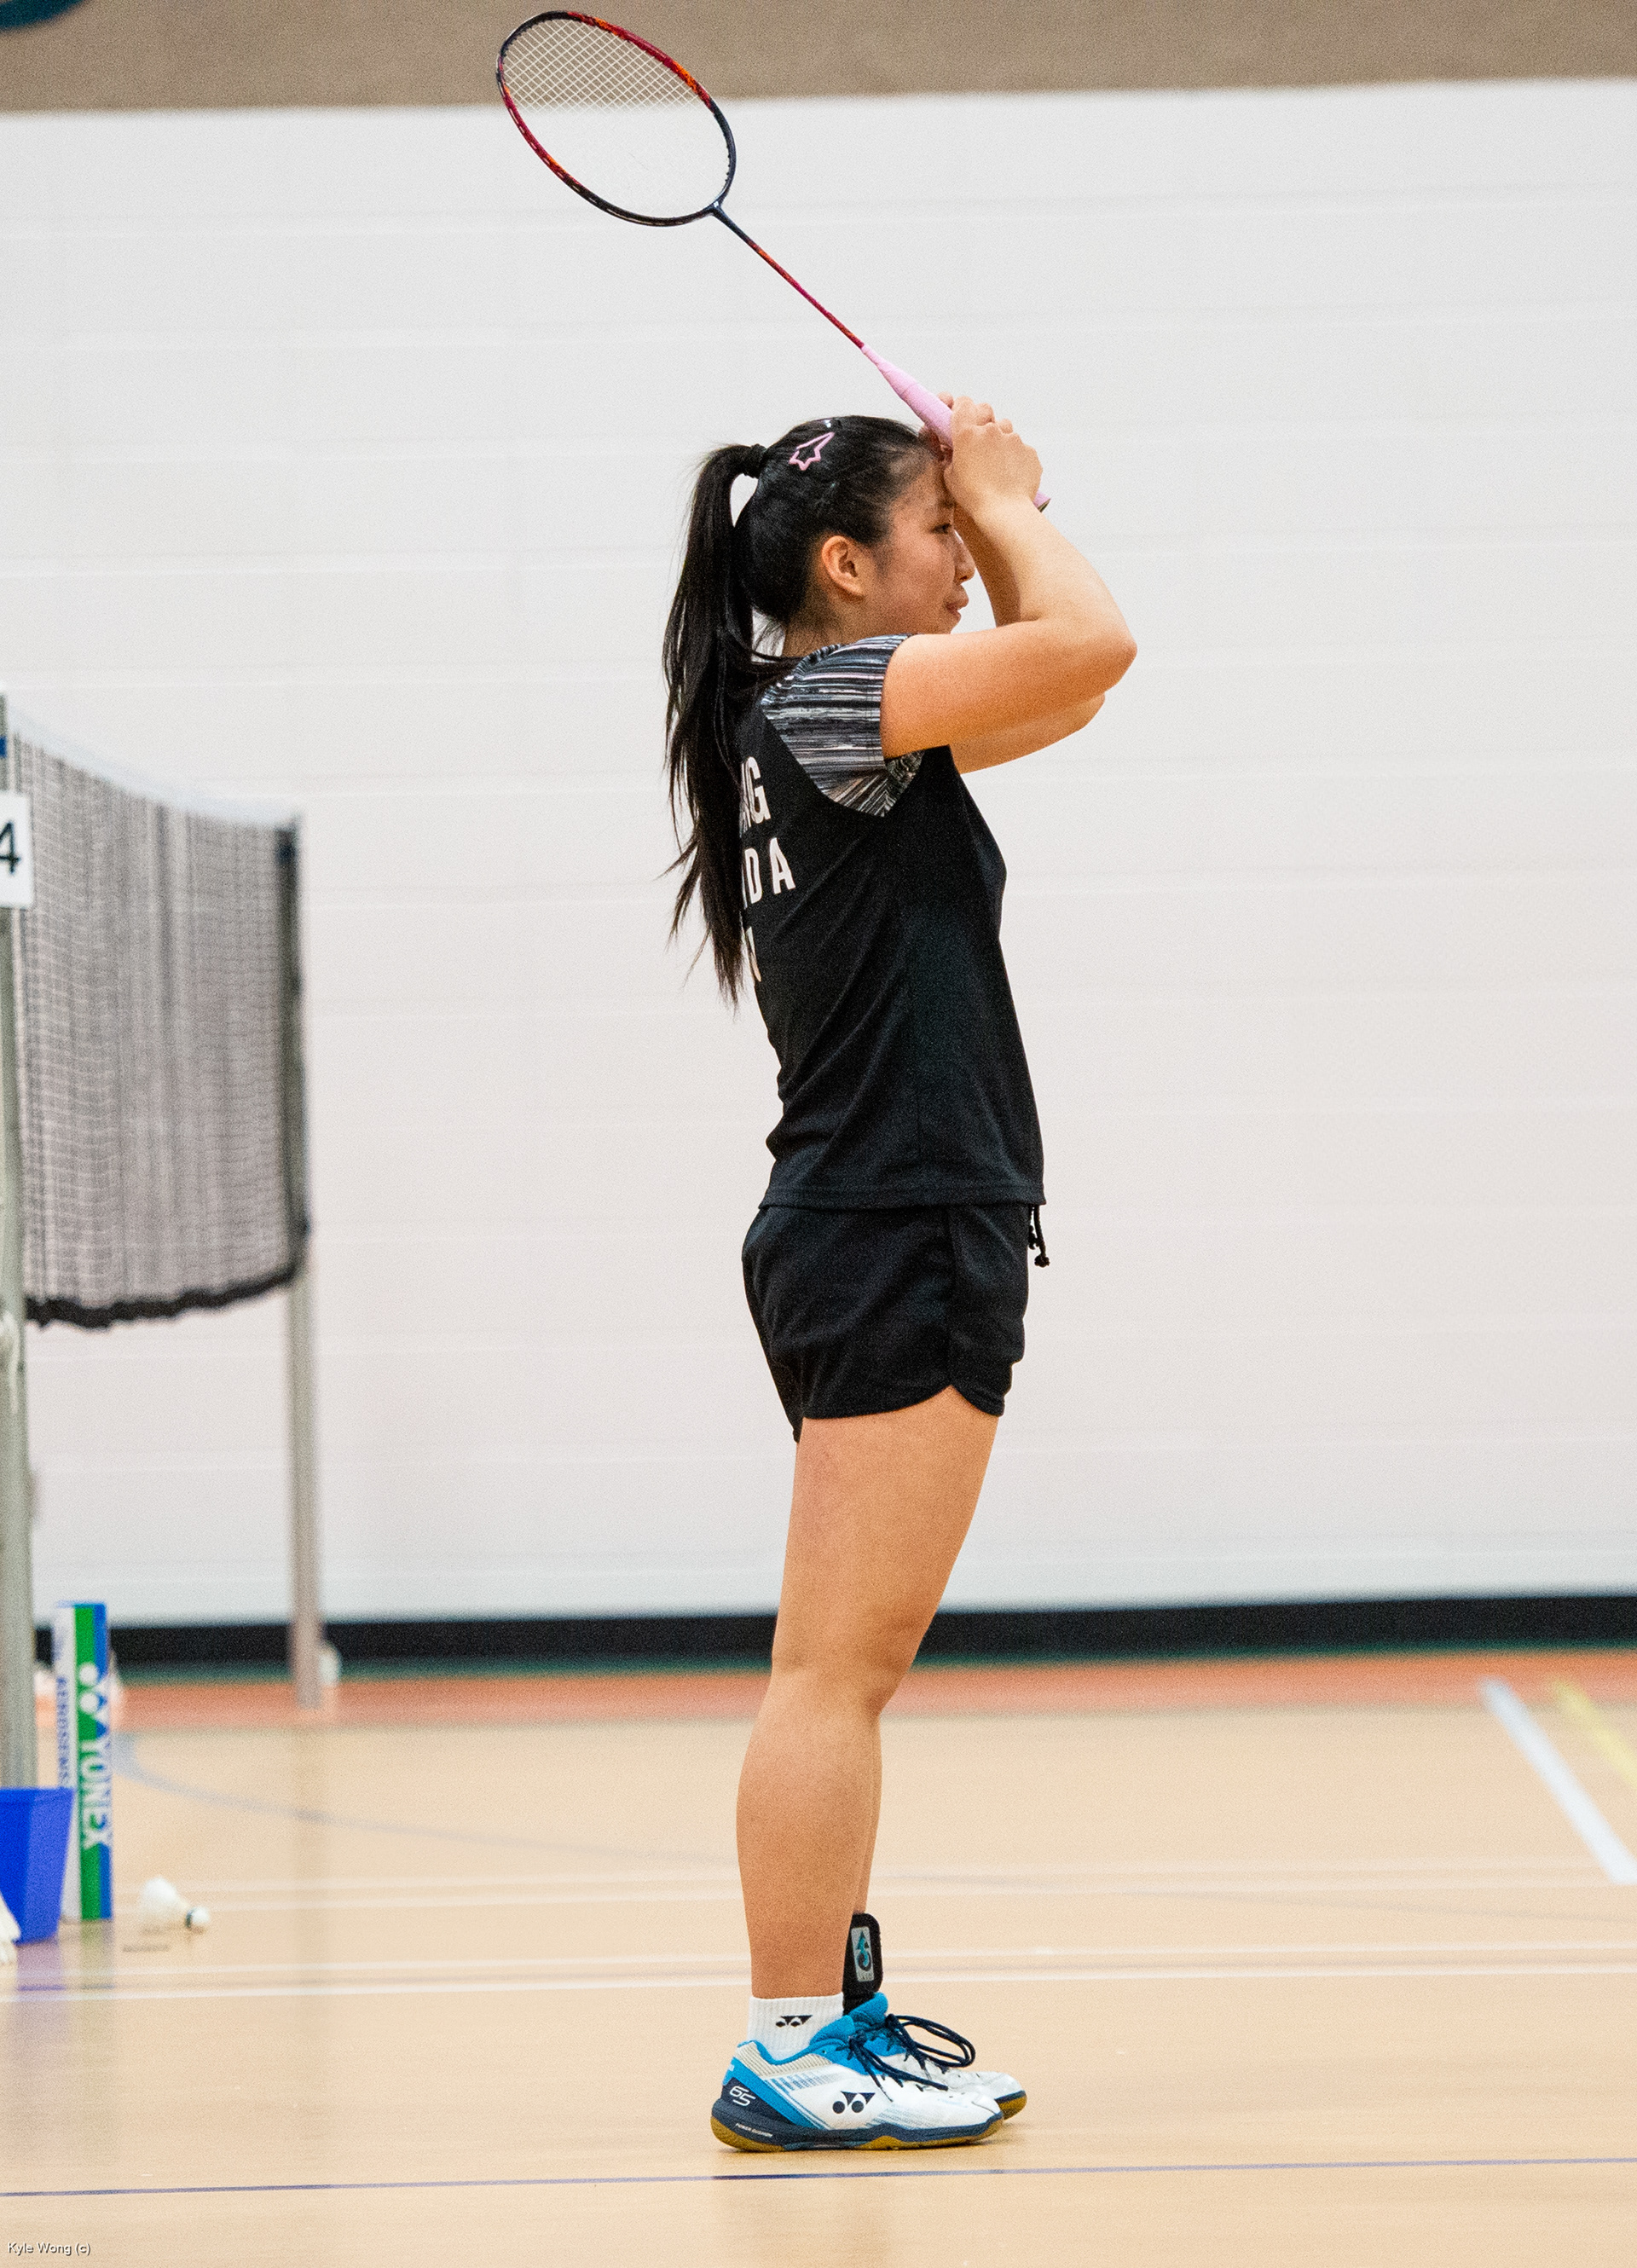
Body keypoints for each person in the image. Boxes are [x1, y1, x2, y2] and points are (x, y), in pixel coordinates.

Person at [662, 397, 1136, 2150]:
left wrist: (988, 517)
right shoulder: (835, 700)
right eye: (928, 535)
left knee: (844, 1666)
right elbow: (1093, 639)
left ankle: (836, 2015)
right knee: (834, 1673)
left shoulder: (828, 718)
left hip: (878, 1220)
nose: (959, 561)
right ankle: (789, 2047)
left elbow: (1066, 686)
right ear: (848, 567)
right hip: (892, 1223)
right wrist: (1003, 498)